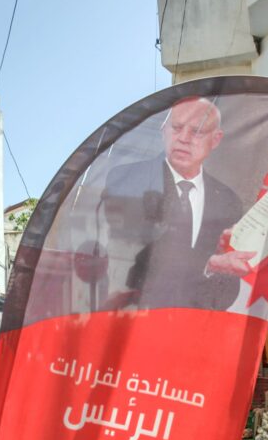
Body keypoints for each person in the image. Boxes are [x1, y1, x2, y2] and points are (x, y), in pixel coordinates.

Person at [101, 96, 255, 310]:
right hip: (135, 321)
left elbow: (230, 281)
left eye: (196, 131)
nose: (184, 138)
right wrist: (209, 263)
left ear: (216, 139)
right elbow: (140, 251)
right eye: (177, 127)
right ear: (164, 131)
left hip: (197, 328)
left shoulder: (227, 200)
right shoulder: (128, 178)